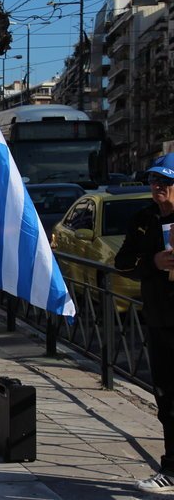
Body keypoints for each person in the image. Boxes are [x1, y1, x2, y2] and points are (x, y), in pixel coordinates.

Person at [115, 153, 174, 494]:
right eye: (154, 180)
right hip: (158, 320)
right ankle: (171, 468)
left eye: (166, 182)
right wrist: (152, 261)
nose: (158, 187)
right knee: (166, 399)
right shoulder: (143, 219)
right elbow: (123, 262)